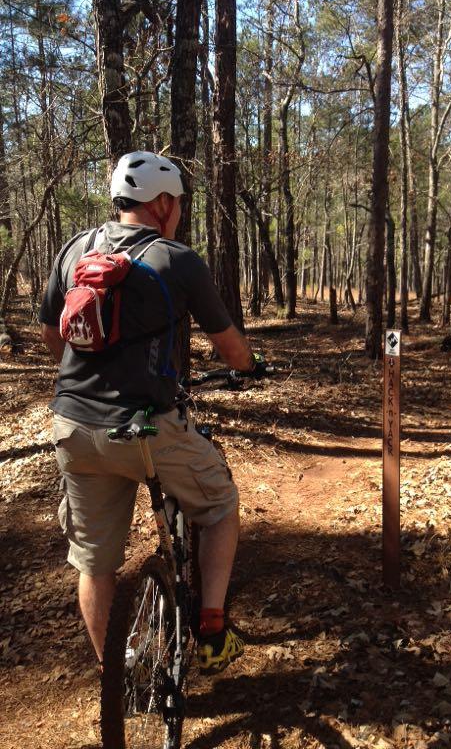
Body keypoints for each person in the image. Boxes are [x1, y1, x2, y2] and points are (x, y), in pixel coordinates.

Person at [40, 151, 257, 673]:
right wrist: (249, 368)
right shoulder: (176, 259)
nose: (178, 211)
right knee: (221, 507)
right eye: (178, 202)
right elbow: (231, 349)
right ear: (161, 203)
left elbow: (53, 336)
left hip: (72, 424)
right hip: (144, 428)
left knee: (95, 565)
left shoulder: (75, 249)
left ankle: (120, 675)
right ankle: (211, 631)